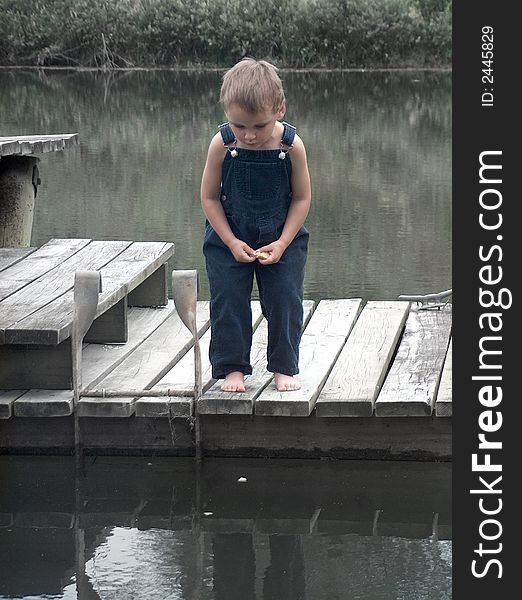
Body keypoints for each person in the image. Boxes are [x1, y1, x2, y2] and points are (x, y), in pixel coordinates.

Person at [201, 57, 311, 392]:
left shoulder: (290, 147)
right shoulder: (223, 144)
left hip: (282, 236)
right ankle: (232, 368)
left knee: (285, 300)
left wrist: (283, 243)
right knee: (228, 301)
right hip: (228, 235)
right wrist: (231, 241)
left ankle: (283, 367)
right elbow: (209, 199)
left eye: (259, 126)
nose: (248, 135)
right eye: (239, 125)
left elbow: (301, 199)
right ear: (226, 114)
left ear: (280, 109)